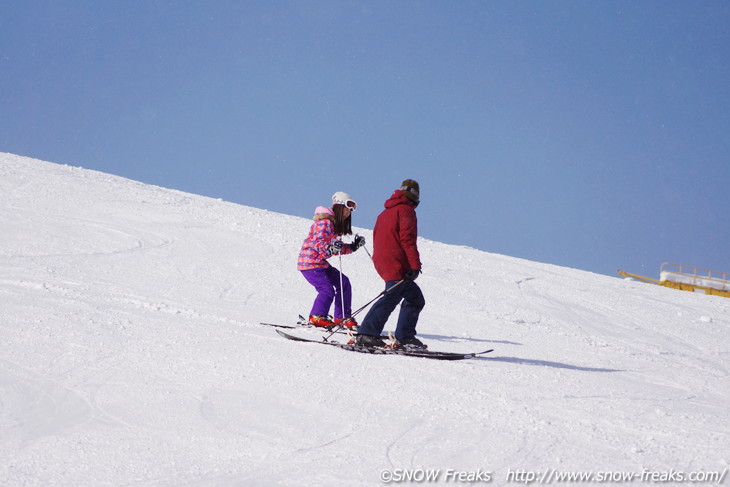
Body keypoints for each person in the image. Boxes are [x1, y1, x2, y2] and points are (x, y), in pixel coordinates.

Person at [355, 179, 426, 350]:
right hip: (395, 261)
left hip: (383, 259)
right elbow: (407, 240)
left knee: (413, 297)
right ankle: (368, 334)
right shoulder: (405, 211)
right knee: (393, 296)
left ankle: (402, 336)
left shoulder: (385, 212)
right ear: (415, 195)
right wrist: (415, 265)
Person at [298, 191, 366, 328]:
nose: (347, 213)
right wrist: (329, 249)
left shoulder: (334, 226)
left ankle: (342, 317)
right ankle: (316, 316)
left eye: (350, 211)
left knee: (343, 282)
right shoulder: (325, 222)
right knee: (326, 289)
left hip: (320, 264)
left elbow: (335, 249)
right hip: (309, 263)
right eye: (346, 209)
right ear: (338, 207)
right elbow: (318, 243)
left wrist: (353, 247)